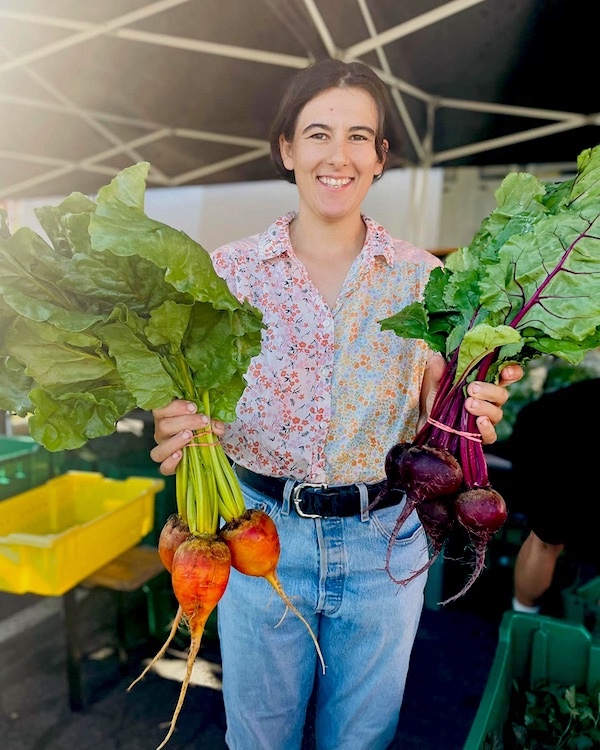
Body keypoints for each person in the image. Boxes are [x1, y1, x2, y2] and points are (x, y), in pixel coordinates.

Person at [150, 58, 522, 750]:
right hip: (258, 538)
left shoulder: (426, 279)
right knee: (260, 740)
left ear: (381, 158)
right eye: (317, 133)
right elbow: (182, 396)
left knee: (361, 740)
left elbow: (437, 403)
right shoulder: (223, 275)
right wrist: (170, 420)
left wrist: (471, 405)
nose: (338, 155)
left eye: (360, 137)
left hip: (386, 539)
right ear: (287, 148)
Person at [511, 377, 600, 615]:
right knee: (546, 537)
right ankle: (523, 617)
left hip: (548, 426)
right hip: (552, 436)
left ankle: (523, 617)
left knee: (545, 540)